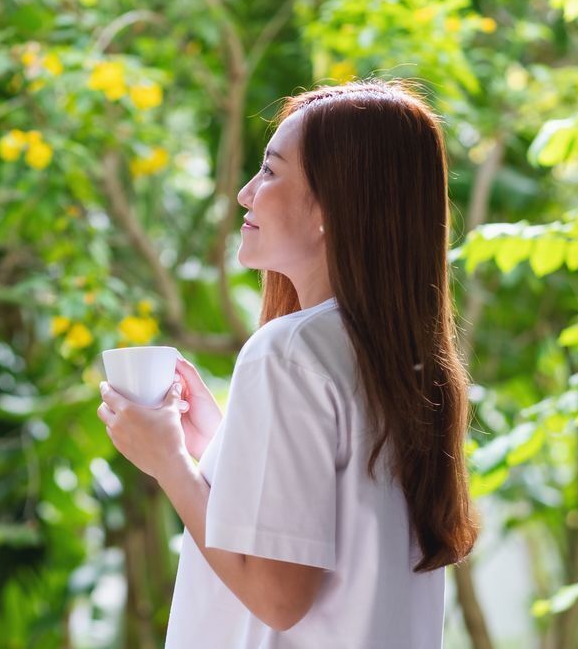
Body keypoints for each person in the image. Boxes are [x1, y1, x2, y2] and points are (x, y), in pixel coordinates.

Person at [96, 79, 478, 648]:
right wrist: (221, 449)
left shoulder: (290, 351)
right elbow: (334, 523)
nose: (247, 193)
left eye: (271, 172)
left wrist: (169, 463)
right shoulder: (403, 358)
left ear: (336, 204)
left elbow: (279, 596)